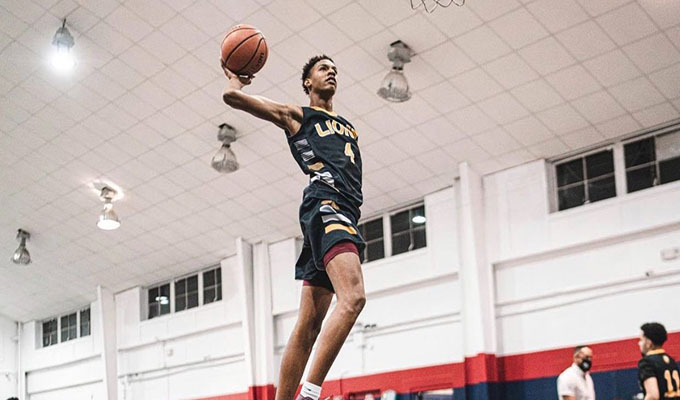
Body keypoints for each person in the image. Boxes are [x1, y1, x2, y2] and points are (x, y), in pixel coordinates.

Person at [221, 54, 366, 400]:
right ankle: (309, 395)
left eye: (335, 69)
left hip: (345, 210)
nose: (331, 72)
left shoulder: (348, 125)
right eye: (323, 68)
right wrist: (236, 79)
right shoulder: (297, 115)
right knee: (353, 297)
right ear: (307, 82)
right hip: (326, 205)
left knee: (310, 323)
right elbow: (232, 98)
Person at [638, 322, 680, 400]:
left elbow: (653, 395)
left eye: (641, 340)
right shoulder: (671, 361)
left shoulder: (647, 362)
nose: (639, 343)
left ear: (648, 342)